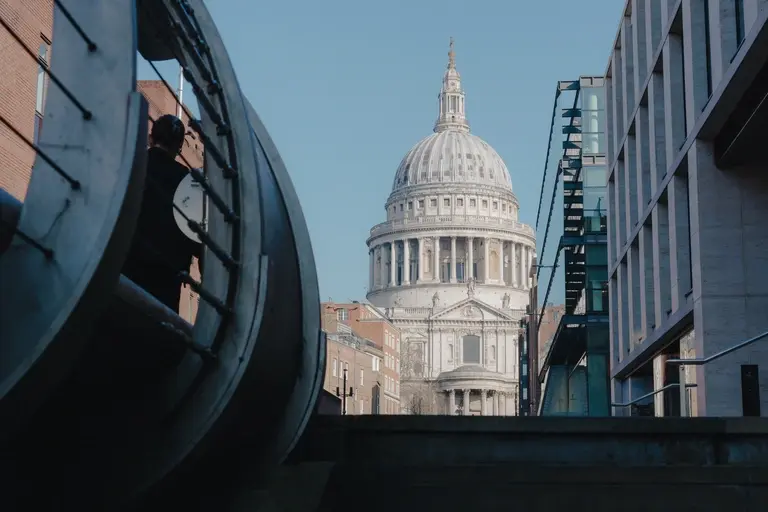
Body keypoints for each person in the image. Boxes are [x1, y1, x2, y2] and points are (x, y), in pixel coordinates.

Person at [122, 114, 202, 313]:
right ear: (180, 147)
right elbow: (197, 240)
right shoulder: (188, 182)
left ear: (151, 138)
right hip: (166, 278)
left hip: (125, 269)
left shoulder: (131, 164)